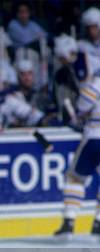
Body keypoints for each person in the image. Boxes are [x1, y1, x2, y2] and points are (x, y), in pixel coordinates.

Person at [54, 60, 100, 238]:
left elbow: (84, 102)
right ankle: (98, 222)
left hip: (95, 136)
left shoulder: (97, 82)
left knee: (75, 178)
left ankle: (69, 221)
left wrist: (80, 113)